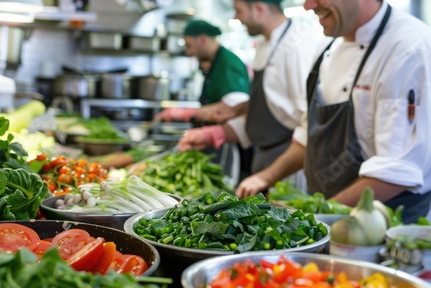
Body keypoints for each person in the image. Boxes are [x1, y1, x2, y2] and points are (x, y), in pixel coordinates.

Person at [236, 0, 431, 223]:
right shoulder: (328, 47)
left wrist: (318, 217)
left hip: (384, 224)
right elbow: (307, 133)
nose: (308, 6)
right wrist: (265, 176)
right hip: (331, 215)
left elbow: (396, 171)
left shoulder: (407, 48)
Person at [177, 0, 328, 190]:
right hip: (263, 155)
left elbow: (308, 121)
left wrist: (268, 176)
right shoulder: (264, 45)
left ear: (258, 9)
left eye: (238, 10)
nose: (236, 17)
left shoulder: (297, 48)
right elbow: (269, 110)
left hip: (288, 162)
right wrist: (217, 132)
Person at [155, 19, 250, 125]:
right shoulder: (215, 61)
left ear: (203, 39)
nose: (188, 52)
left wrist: (185, 113)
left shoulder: (228, 63)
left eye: (189, 45)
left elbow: (233, 107)